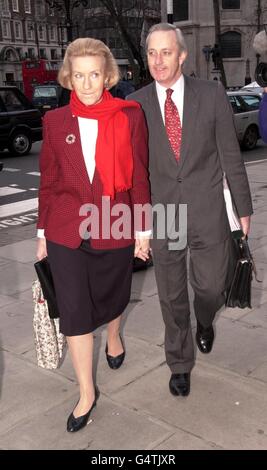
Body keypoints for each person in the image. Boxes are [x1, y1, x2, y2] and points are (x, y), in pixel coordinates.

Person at [128, 23, 253, 397]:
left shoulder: (211, 94)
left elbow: (231, 155)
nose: (158, 61)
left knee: (212, 286)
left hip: (208, 206)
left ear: (181, 55)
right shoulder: (135, 104)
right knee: (170, 294)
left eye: (166, 52)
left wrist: (243, 208)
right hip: (164, 214)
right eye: (152, 53)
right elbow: (133, 170)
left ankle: (205, 319)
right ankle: (178, 362)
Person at [36, 38, 151, 432]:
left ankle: (115, 333)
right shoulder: (54, 122)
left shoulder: (129, 115)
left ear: (107, 76)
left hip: (113, 222)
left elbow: (138, 176)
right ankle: (86, 393)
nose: (86, 84)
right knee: (75, 311)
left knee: (113, 295)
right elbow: (49, 182)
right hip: (66, 229)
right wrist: (40, 233)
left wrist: (143, 229)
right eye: (79, 75)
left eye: (94, 75)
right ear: (69, 77)